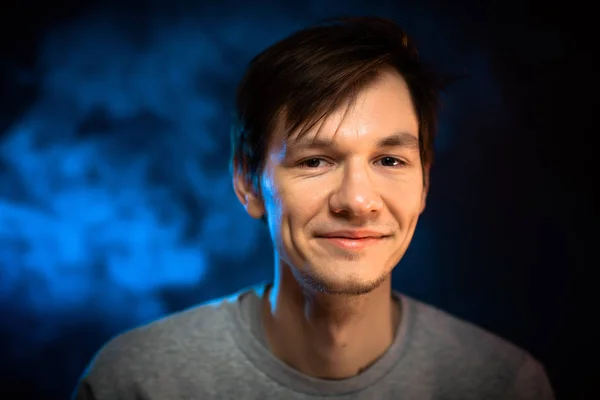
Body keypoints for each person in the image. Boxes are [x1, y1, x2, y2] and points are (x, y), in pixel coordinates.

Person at [73, 17, 555, 399]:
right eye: (315, 160)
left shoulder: (504, 383)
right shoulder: (138, 382)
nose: (358, 201)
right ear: (248, 182)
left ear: (424, 181)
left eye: (390, 160)